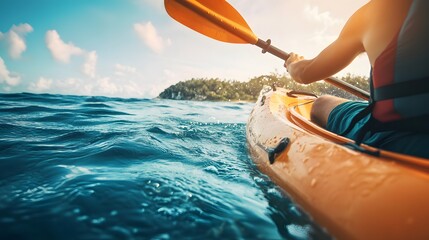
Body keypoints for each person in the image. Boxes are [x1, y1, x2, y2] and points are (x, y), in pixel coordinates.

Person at [284, 0, 429, 159]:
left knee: (321, 103)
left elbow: (305, 73)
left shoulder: (375, 11)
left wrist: (293, 63)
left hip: (392, 135)